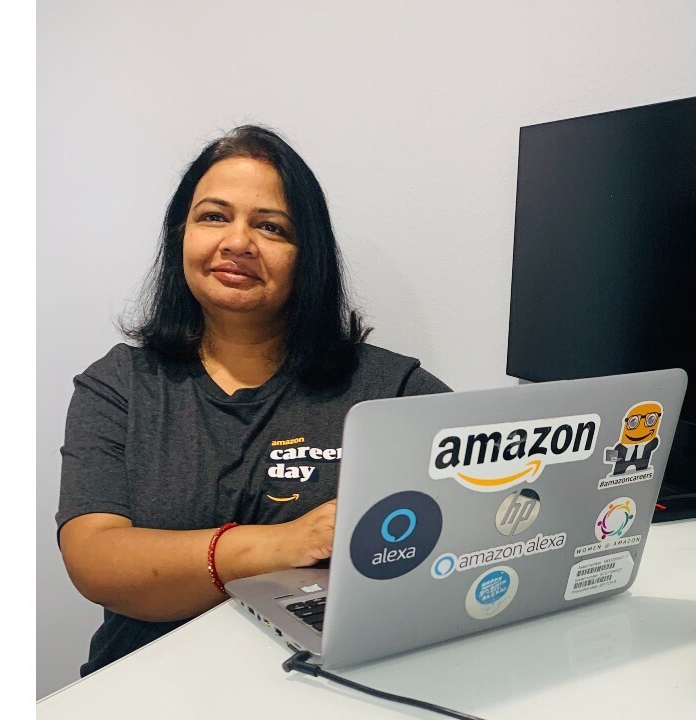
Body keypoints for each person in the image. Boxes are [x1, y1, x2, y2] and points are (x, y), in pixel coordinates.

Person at [55, 125, 450, 677]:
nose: (238, 242)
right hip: (142, 684)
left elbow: (467, 528)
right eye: (214, 217)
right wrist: (282, 545)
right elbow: (95, 559)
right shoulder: (118, 384)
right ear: (181, 235)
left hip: (326, 685)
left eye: (270, 226)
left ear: (308, 256)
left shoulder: (391, 391)